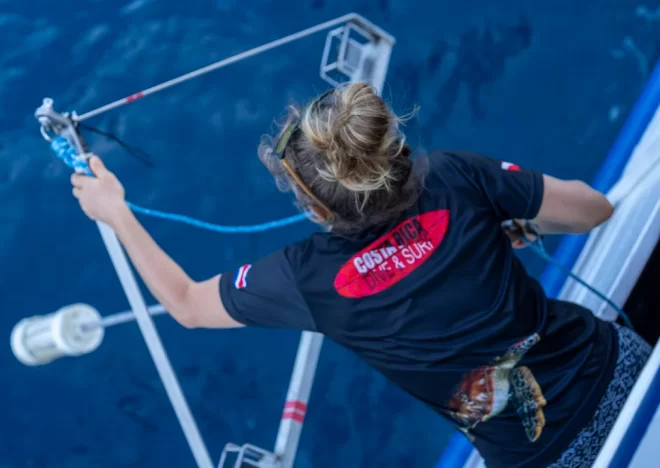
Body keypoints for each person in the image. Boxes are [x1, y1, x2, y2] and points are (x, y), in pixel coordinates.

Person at [70, 82, 651, 468]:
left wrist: (116, 212)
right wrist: (511, 220)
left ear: (317, 209)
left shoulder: (308, 277)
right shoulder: (453, 175)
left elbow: (187, 305)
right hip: (623, 371)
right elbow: (593, 210)